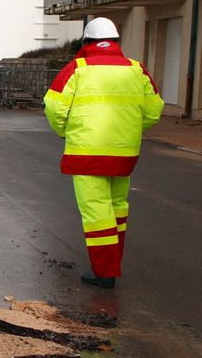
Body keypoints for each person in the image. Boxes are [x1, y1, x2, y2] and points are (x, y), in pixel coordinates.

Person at [43, 17, 163, 288]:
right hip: (124, 154)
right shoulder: (136, 69)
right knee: (118, 208)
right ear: (117, 42)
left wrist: (64, 130)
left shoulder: (78, 68)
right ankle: (112, 262)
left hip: (86, 153)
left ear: (86, 42)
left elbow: (53, 105)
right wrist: (130, 130)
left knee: (96, 212)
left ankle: (105, 271)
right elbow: (154, 110)